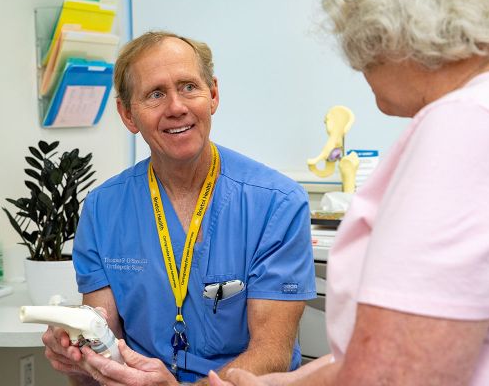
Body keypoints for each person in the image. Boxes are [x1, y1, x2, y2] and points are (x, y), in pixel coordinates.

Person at [210, 0, 489, 385]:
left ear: (392, 38)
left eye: (361, 52)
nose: (359, 69)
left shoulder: (465, 125)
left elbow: (395, 373)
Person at [41, 31, 316, 386]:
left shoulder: (276, 203)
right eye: (155, 94)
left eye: (188, 87)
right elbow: (104, 341)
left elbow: (271, 353)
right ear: (127, 114)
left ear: (213, 94)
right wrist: (79, 351)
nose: (176, 107)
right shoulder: (102, 209)